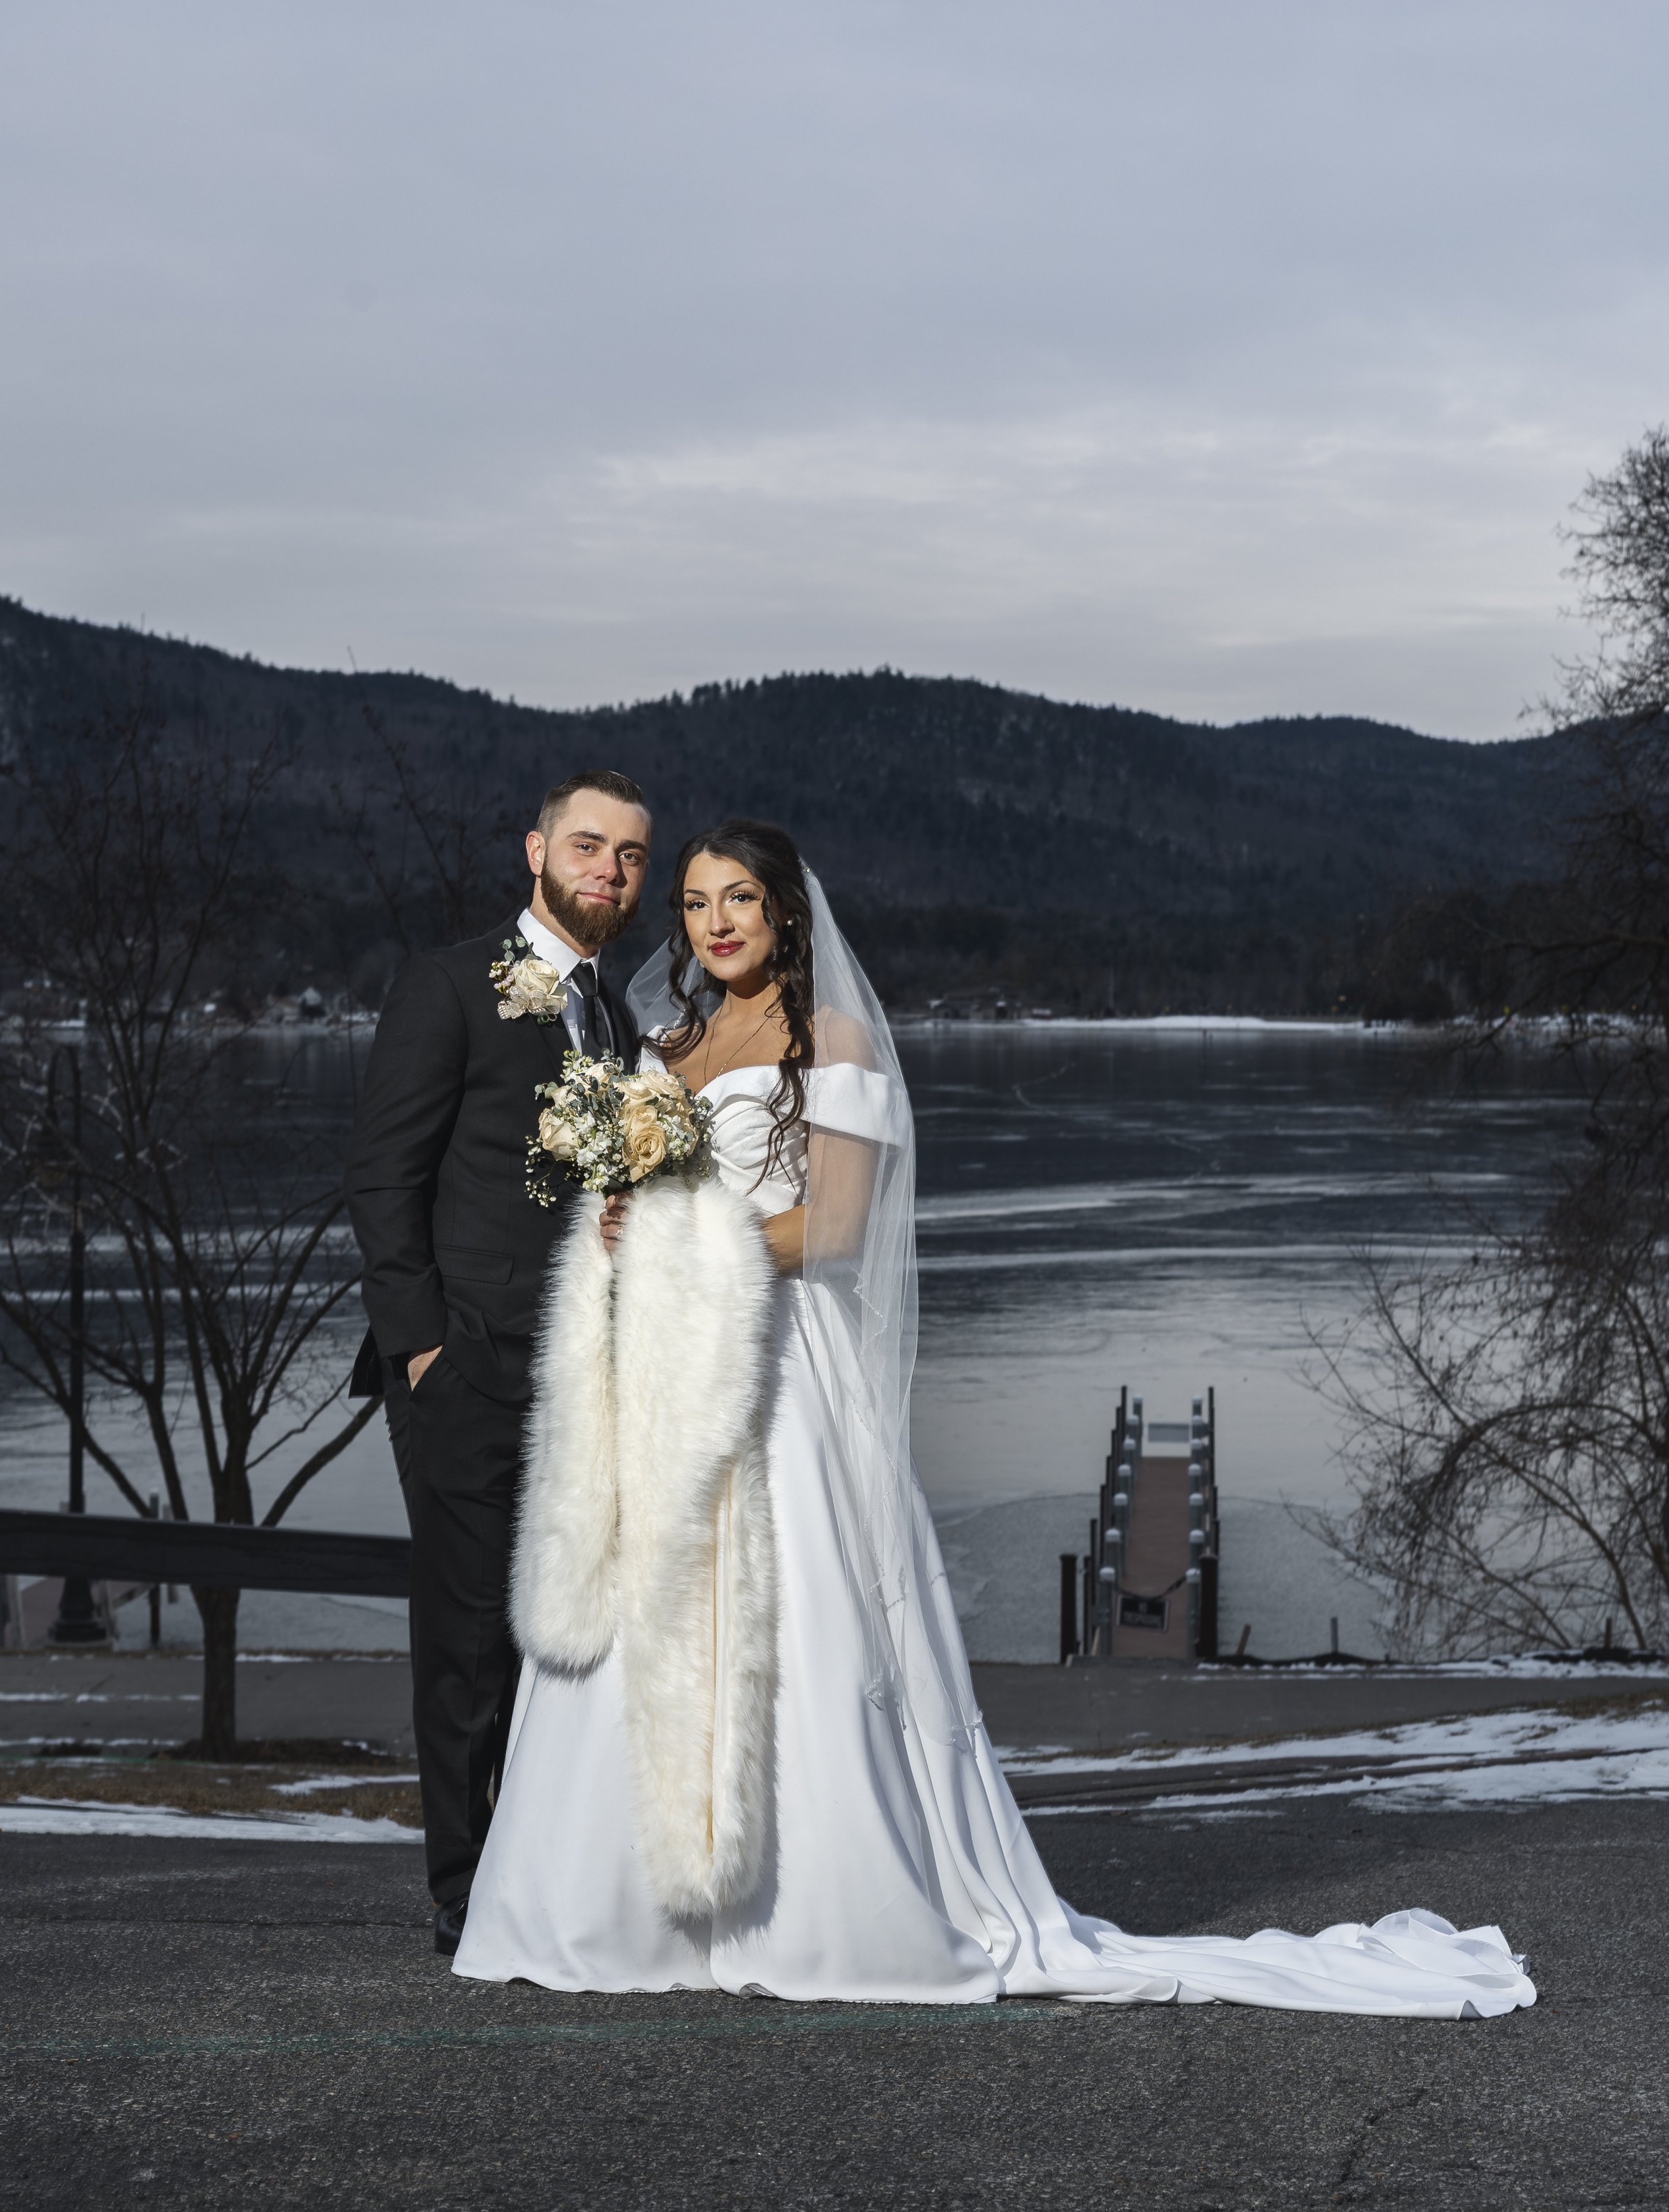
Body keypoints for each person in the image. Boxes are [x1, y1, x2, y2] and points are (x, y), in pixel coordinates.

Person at [453, 822, 1536, 2018]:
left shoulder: (839, 1041)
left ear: (785, 915)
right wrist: (624, 1219)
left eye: (742, 898)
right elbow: (640, 1193)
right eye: (700, 901)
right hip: (670, 1365)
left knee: (803, 1614)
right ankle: (616, 1905)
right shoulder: (669, 1041)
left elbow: (836, 1228)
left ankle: (810, 1905)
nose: (716, 922)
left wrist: (684, 1241)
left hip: (778, 1360)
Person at [344, 772, 648, 1955]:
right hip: (463, 1370)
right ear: (534, 848)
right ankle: (466, 1893)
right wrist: (424, 1350)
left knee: (557, 1635)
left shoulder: (612, 1015)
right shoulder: (449, 986)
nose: (607, 871)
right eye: (588, 845)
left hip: (577, 1376)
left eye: (627, 857)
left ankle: (538, 1868)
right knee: (468, 1638)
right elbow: (383, 1178)